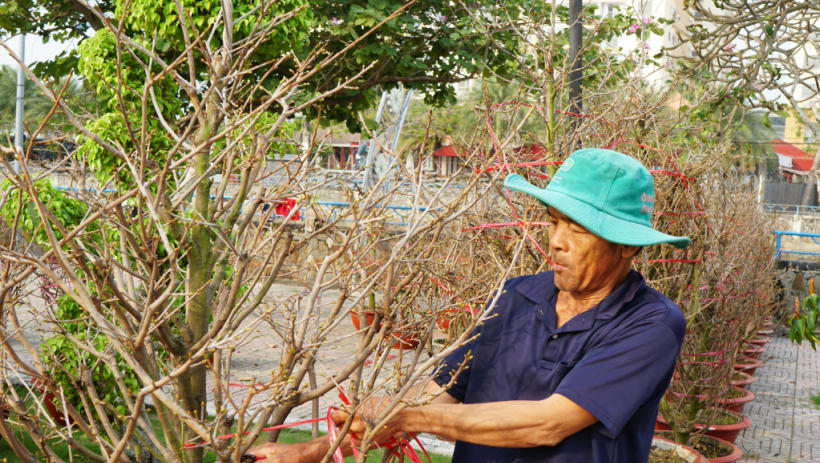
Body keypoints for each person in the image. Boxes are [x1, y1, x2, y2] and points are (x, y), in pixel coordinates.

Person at [249, 148, 690, 463]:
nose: (556, 241)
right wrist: (311, 451)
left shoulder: (651, 324)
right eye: (553, 221)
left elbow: (548, 423)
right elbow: (438, 395)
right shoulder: (517, 296)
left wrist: (407, 418)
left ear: (627, 246)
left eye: (578, 229)